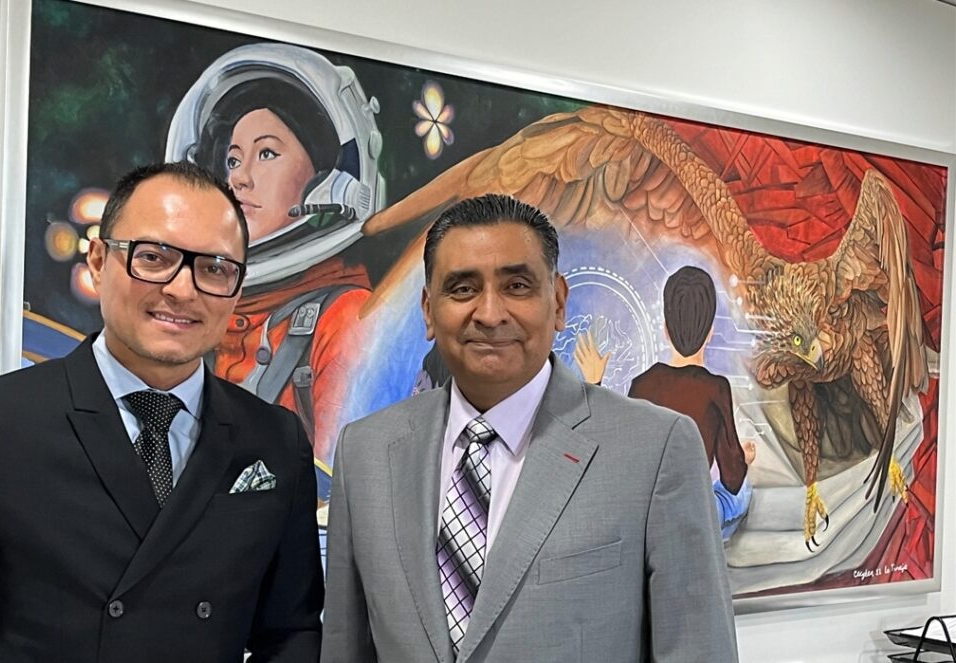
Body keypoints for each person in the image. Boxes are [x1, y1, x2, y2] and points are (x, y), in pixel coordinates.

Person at [0, 162, 323, 662]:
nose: (182, 290)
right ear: (98, 261)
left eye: (214, 269)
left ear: (237, 290)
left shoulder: (274, 440)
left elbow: (291, 634)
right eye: (154, 257)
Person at [321, 194, 738, 662]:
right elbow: (344, 649)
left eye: (517, 286)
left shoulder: (655, 450)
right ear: (428, 311)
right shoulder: (366, 453)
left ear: (558, 302)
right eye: (462, 289)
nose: (490, 313)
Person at [166, 44, 385, 506]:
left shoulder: (347, 321)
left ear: (326, 182)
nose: (239, 178)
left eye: (266, 154)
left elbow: (339, 507)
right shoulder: (207, 310)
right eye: (232, 160)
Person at [628, 266, 757, 540]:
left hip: (649, 514)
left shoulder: (641, 384)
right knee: (742, 494)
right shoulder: (715, 388)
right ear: (710, 332)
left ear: (665, 329)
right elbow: (732, 478)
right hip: (694, 511)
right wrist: (743, 458)